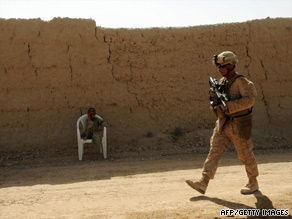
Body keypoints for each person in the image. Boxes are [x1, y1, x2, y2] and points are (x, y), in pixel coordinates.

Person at [186, 51, 259, 195]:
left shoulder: (242, 82)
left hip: (238, 125)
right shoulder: (221, 82)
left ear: (231, 65)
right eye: (219, 67)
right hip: (223, 124)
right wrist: (214, 98)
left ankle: (253, 182)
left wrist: (228, 106)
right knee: (214, 152)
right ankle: (203, 181)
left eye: (223, 66)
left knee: (245, 154)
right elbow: (215, 104)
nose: (220, 70)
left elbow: (250, 100)